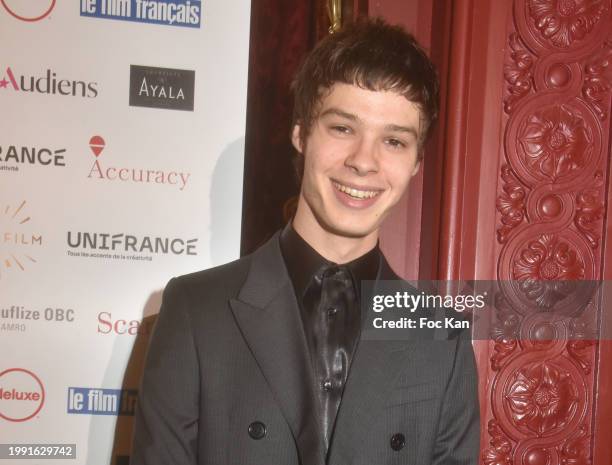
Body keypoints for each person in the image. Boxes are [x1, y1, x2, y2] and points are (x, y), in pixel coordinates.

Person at [131, 18, 480, 465]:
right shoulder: (195, 310)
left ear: (415, 163)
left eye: (393, 141)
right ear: (301, 133)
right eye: (342, 128)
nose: (364, 162)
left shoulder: (443, 340)